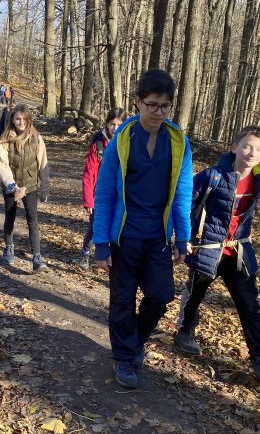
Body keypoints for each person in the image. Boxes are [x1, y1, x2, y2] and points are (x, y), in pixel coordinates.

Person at [93, 69, 193, 389]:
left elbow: (182, 193)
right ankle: (125, 358)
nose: (158, 112)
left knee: (161, 293)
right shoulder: (122, 139)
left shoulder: (178, 142)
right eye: (152, 104)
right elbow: (105, 192)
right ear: (138, 102)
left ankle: (134, 341)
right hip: (123, 236)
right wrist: (100, 243)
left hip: (158, 237)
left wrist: (183, 236)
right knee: (122, 299)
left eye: (165, 106)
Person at [175, 125, 260, 386]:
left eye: (258, 149)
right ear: (234, 147)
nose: (251, 152)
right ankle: (185, 332)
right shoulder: (212, 176)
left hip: (239, 251)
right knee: (195, 294)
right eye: (246, 146)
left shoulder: (259, 177)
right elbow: (187, 204)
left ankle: (259, 359)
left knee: (249, 305)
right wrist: (184, 238)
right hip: (209, 248)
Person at [0, 104, 51, 273]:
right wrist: (12, 186)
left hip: (30, 185)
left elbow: (43, 163)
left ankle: (36, 257)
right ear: (12, 119)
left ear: (28, 120)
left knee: (32, 220)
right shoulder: (5, 138)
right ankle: (9, 247)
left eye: (23, 119)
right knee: (10, 215)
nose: (20, 122)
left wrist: (45, 187)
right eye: (17, 119)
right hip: (11, 184)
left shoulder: (36, 137)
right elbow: (2, 164)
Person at [79, 107, 127, 268]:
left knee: (116, 226)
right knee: (95, 227)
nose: (115, 128)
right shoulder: (98, 145)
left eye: (119, 125)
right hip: (98, 195)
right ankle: (85, 252)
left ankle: (112, 257)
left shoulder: (128, 143)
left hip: (120, 195)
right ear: (107, 124)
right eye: (112, 124)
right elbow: (89, 174)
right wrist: (88, 201)